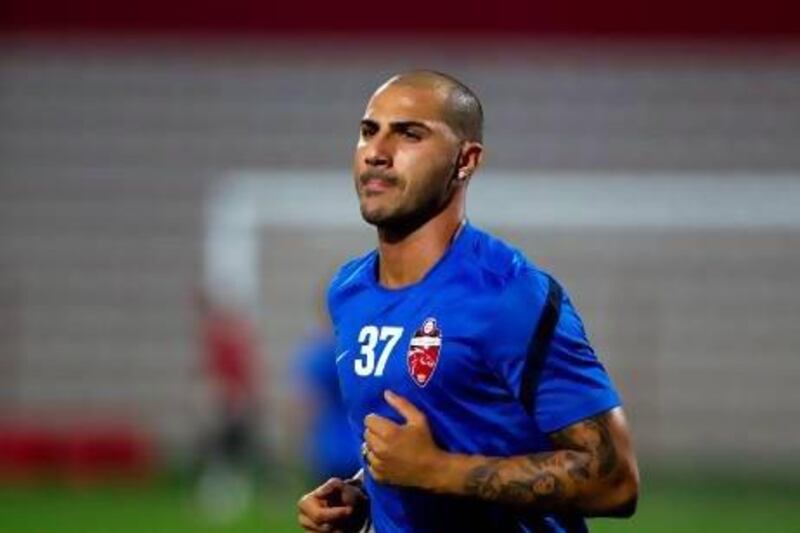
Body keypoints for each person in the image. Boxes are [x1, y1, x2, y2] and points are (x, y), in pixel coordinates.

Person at [297, 71, 639, 532]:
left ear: (466, 160)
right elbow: (425, 444)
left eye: (409, 134)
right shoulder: (349, 291)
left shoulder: (509, 296)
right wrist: (361, 492)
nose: (377, 152)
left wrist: (436, 471)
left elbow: (615, 481)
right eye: (368, 131)